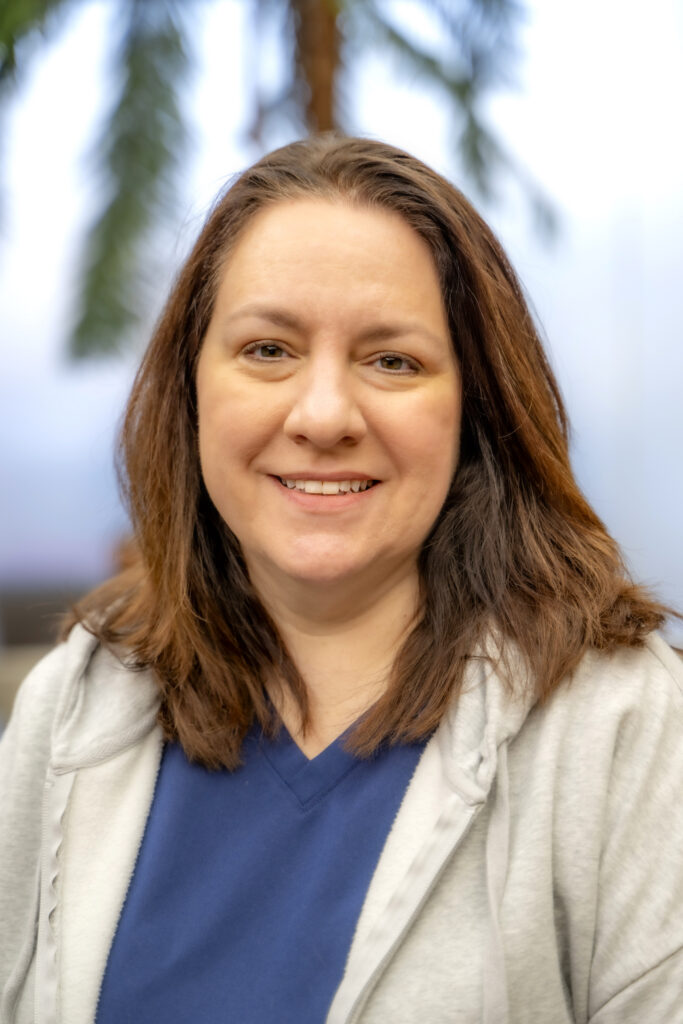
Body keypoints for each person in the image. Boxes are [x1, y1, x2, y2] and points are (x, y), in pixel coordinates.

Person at [1, 134, 682, 1024]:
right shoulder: (76, 706)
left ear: (475, 407)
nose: (323, 416)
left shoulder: (624, 729)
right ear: (191, 387)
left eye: (391, 360)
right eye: (268, 350)